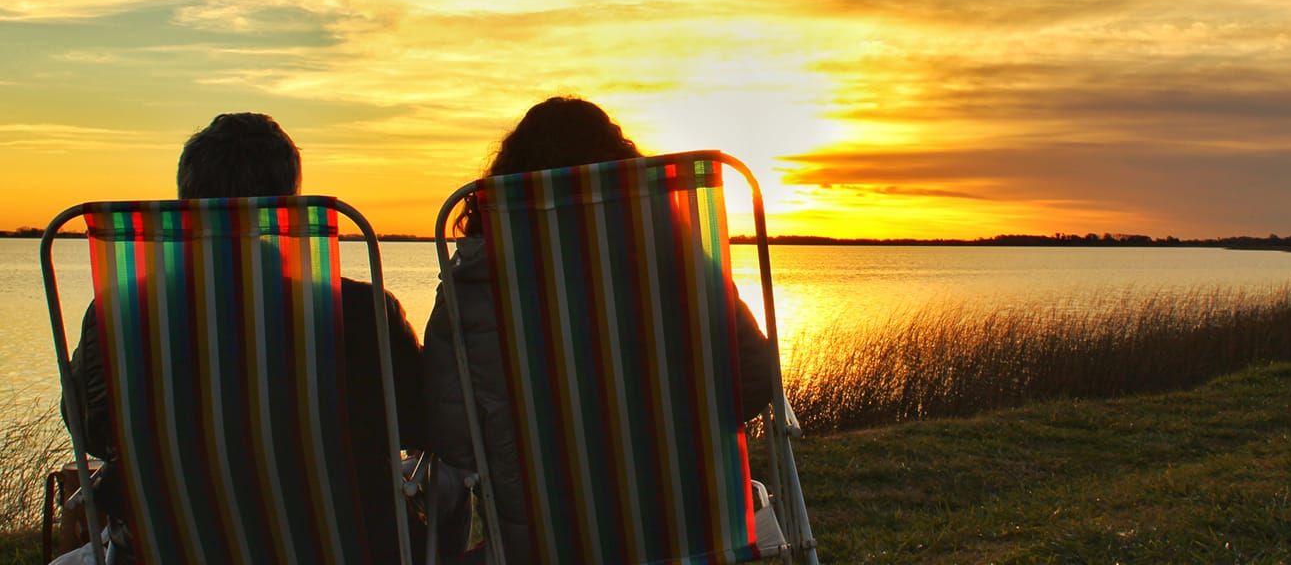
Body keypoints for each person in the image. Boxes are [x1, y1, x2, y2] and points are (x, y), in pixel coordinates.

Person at [423, 96, 773, 563]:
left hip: (545, 547)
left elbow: (455, 441)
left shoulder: (474, 286)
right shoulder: (677, 261)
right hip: (690, 538)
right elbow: (755, 379)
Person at [64, 113, 426, 561]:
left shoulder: (118, 318)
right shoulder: (356, 311)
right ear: (287, 207)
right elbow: (417, 422)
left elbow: (90, 431)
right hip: (338, 548)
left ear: (185, 203)